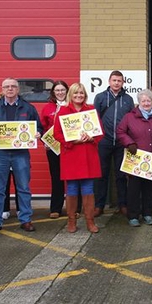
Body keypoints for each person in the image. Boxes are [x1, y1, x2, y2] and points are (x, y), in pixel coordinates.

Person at [0, 78, 42, 234]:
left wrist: (38, 133)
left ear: (18, 89)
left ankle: (26, 220)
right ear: (2, 89)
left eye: (13, 86)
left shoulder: (28, 108)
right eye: (7, 87)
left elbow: (38, 126)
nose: (10, 89)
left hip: (20, 153)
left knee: (23, 188)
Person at [54, 83, 101, 233]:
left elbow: (99, 132)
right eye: (76, 93)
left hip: (88, 154)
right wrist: (72, 141)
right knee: (72, 189)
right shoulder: (63, 111)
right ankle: (71, 221)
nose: (79, 96)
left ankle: (90, 221)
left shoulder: (91, 110)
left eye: (81, 93)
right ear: (71, 95)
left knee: (88, 188)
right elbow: (57, 134)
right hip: (71, 155)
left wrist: (92, 137)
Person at [117, 90, 152, 227]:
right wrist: (129, 142)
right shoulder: (129, 117)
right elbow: (120, 131)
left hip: (151, 159)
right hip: (135, 159)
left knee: (149, 188)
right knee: (134, 189)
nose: (146, 103)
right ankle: (133, 216)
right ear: (139, 102)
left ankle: (148, 214)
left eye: (149, 101)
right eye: (144, 101)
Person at [93, 71, 134, 216]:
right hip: (104, 141)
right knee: (101, 174)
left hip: (121, 142)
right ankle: (99, 205)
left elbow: (131, 121)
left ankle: (123, 204)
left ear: (123, 82)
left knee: (121, 175)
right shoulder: (100, 98)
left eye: (119, 81)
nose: (117, 83)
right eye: (114, 80)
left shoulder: (128, 100)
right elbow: (94, 119)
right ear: (109, 81)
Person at [40, 80, 70, 219]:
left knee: (72, 178)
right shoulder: (47, 108)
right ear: (53, 92)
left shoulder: (72, 105)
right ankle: (56, 208)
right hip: (53, 148)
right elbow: (42, 127)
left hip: (71, 147)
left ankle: (74, 208)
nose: (60, 93)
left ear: (67, 91)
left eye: (62, 90)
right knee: (56, 177)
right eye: (57, 90)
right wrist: (43, 140)